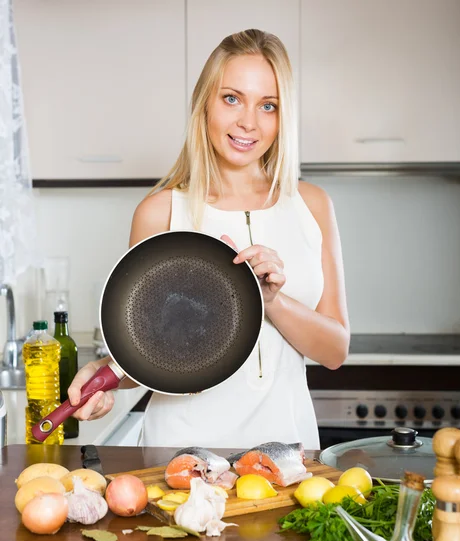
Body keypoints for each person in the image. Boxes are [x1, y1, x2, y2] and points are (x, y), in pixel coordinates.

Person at [68, 29, 350, 449]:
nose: (248, 122)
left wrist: (271, 301)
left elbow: (335, 350)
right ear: (205, 102)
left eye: (267, 105)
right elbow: (145, 354)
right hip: (180, 459)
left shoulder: (312, 205)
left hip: (289, 455)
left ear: (281, 116)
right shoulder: (161, 211)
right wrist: (106, 377)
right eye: (232, 98)